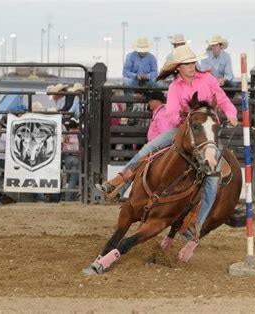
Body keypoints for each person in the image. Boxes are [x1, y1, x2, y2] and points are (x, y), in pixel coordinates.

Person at [96, 45, 238, 240]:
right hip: (182, 129)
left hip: (206, 133)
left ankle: (197, 223)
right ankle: (120, 181)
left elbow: (222, 99)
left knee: (213, 176)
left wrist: (231, 113)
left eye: (192, 62)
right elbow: (171, 112)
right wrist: (182, 117)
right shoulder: (175, 87)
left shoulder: (207, 79)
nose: (191, 66)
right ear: (178, 67)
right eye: (187, 63)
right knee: (150, 147)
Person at [62, 117, 80, 201]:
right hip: (76, 157)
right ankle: (69, 197)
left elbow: (63, 145)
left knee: (68, 177)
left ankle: (66, 195)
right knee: (73, 178)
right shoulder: (79, 134)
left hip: (68, 157)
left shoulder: (67, 134)